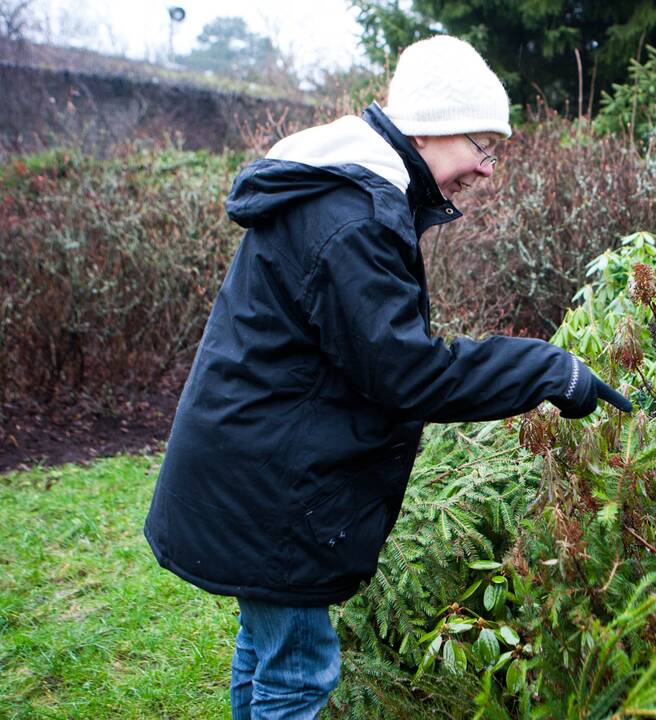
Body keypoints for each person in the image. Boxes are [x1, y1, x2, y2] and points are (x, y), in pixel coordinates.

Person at [143, 34, 630, 719]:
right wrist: (545, 369)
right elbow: (406, 373)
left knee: (267, 646)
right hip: (275, 483)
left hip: (254, 462)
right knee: (298, 672)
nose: (487, 170)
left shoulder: (341, 188)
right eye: (481, 145)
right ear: (431, 129)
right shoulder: (353, 218)